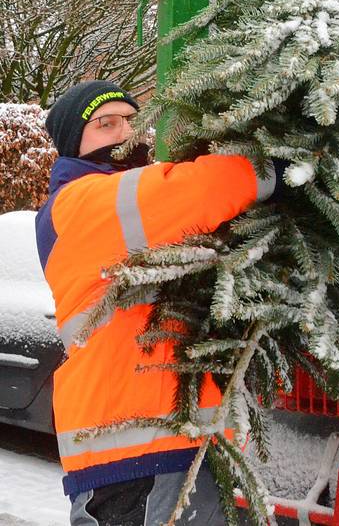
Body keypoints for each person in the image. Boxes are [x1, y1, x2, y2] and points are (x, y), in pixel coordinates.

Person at [37, 80, 279, 524]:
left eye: (132, 120)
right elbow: (207, 188)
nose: (126, 133)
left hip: (165, 441)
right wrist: (273, 162)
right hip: (134, 448)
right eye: (106, 124)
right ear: (74, 143)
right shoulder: (83, 203)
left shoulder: (118, 202)